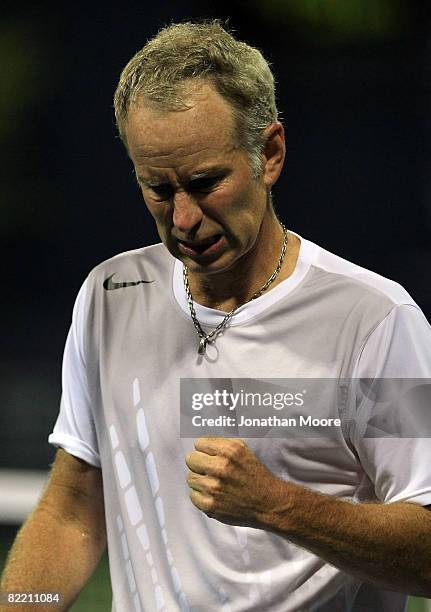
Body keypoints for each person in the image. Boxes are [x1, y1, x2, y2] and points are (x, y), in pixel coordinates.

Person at [2, 19, 431, 612]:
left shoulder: (378, 319)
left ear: (270, 153)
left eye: (206, 183)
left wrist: (277, 505)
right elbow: (75, 508)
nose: (183, 218)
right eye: (157, 187)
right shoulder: (111, 293)